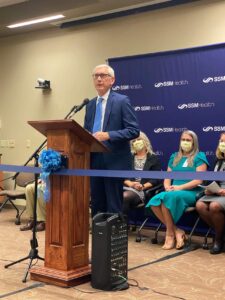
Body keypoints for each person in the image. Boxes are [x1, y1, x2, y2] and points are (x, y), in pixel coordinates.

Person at [84, 64, 140, 217]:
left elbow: (133, 130)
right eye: (95, 76)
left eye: (103, 75)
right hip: (94, 161)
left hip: (114, 161)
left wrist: (108, 135)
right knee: (96, 205)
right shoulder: (89, 105)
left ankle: (114, 241)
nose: (99, 79)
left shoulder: (122, 101)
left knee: (114, 207)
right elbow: (86, 131)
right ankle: (98, 240)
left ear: (112, 80)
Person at [146, 130, 209, 250]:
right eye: (183, 140)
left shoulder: (199, 157)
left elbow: (199, 180)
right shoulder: (174, 156)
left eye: (188, 140)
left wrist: (179, 187)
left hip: (191, 192)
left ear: (194, 142)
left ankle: (169, 235)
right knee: (154, 201)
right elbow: (168, 177)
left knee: (166, 198)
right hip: (173, 191)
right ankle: (177, 231)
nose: (185, 142)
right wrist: (167, 187)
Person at [196, 132, 225, 254]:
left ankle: (218, 240)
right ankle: (222, 235)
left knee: (214, 206)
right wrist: (208, 188)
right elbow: (210, 179)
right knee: (200, 205)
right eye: (222, 141)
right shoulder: (217, 159)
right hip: (217, 191)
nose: (223, 144)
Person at [123, 131, 162, 214]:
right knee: (112, 195)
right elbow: (122, 175)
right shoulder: (128, 158)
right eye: (134, 141)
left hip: (141, 191)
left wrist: (143, 186)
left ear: (145, 141)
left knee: (124, 196)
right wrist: (130, 183)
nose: (136, 142)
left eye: (139, 139)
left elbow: (156, 179)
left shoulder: (153, 159)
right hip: (126, 187)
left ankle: (122, 225)